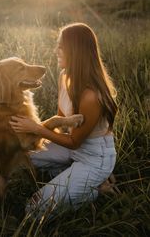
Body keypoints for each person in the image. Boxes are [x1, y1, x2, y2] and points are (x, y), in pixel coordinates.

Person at [10, 22, 117, 216]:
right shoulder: (64, 76)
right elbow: (61, 121)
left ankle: (94, 189)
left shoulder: (91, 96)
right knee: (18, 159)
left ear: (75, 51)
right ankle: (75, 176)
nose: (56, 51)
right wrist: (34, 140)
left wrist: (36, 129)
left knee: (33, 208)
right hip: (71, 149)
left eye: (61, 47)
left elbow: (75, 142)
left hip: (93, 157)